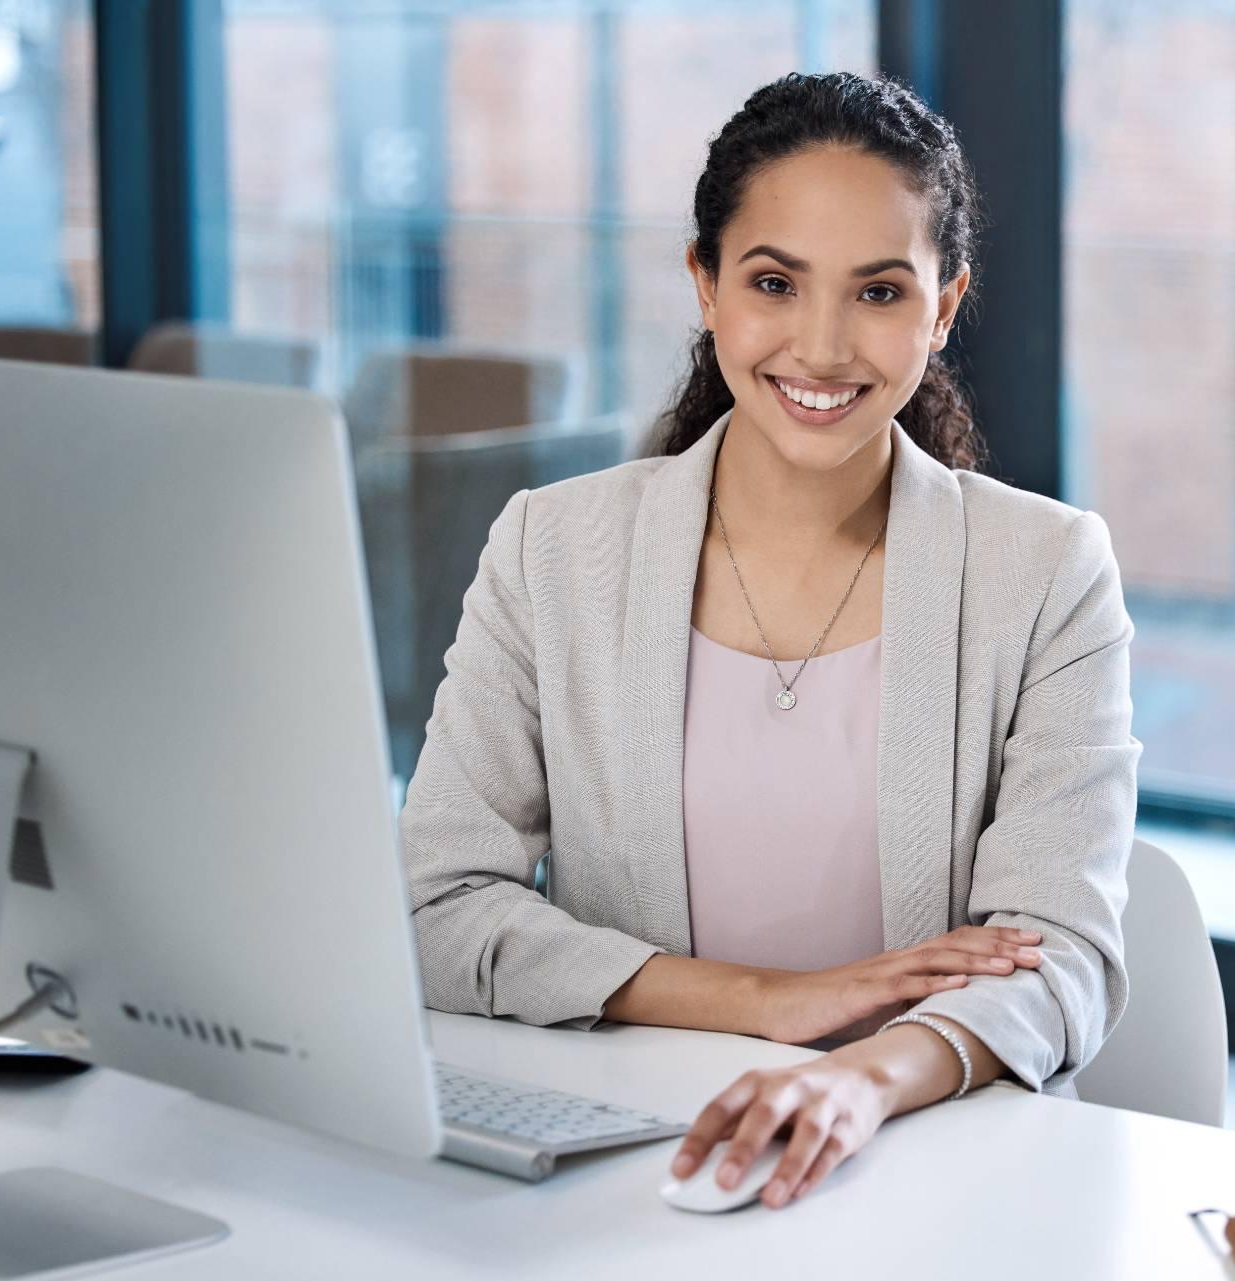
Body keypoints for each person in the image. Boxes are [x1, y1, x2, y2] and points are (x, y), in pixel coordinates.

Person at [401, 71, 1140, 1213]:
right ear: (705, 285)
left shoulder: (1045, 572)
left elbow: (1060, 954)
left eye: (880, 292)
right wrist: (761, 1001)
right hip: (633, 1159)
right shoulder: (555, 548)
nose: (822, 345)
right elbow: (435, 906)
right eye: (774, 282)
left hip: (934, 1164)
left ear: (943, 311)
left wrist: (860, 1077)